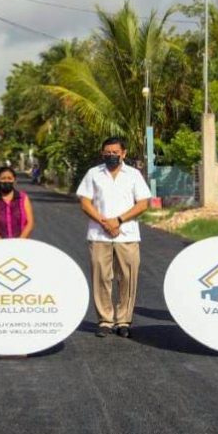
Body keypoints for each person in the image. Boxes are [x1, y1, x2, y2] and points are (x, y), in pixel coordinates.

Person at [76, 136, 151, 339]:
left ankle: (124, 320)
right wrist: (104, 222)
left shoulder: (134, 175)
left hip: (127, 234)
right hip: (99, 234)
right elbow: (85, 202)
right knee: (101, 277)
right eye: (107, 153)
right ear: (102, 153)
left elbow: (143, 203)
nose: (111, 156)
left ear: (123, 153)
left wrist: (118, 221)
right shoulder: (93, 174)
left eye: (115, 153)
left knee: (127, 278)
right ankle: (105, 320)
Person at [0, 166, 34, 241]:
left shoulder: (23, 198)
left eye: (10, 178)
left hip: (21, 245)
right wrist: (2, 243)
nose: (6, 181)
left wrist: (19, 241)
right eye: (3, 178)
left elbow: (30, 223)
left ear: (15, 181)